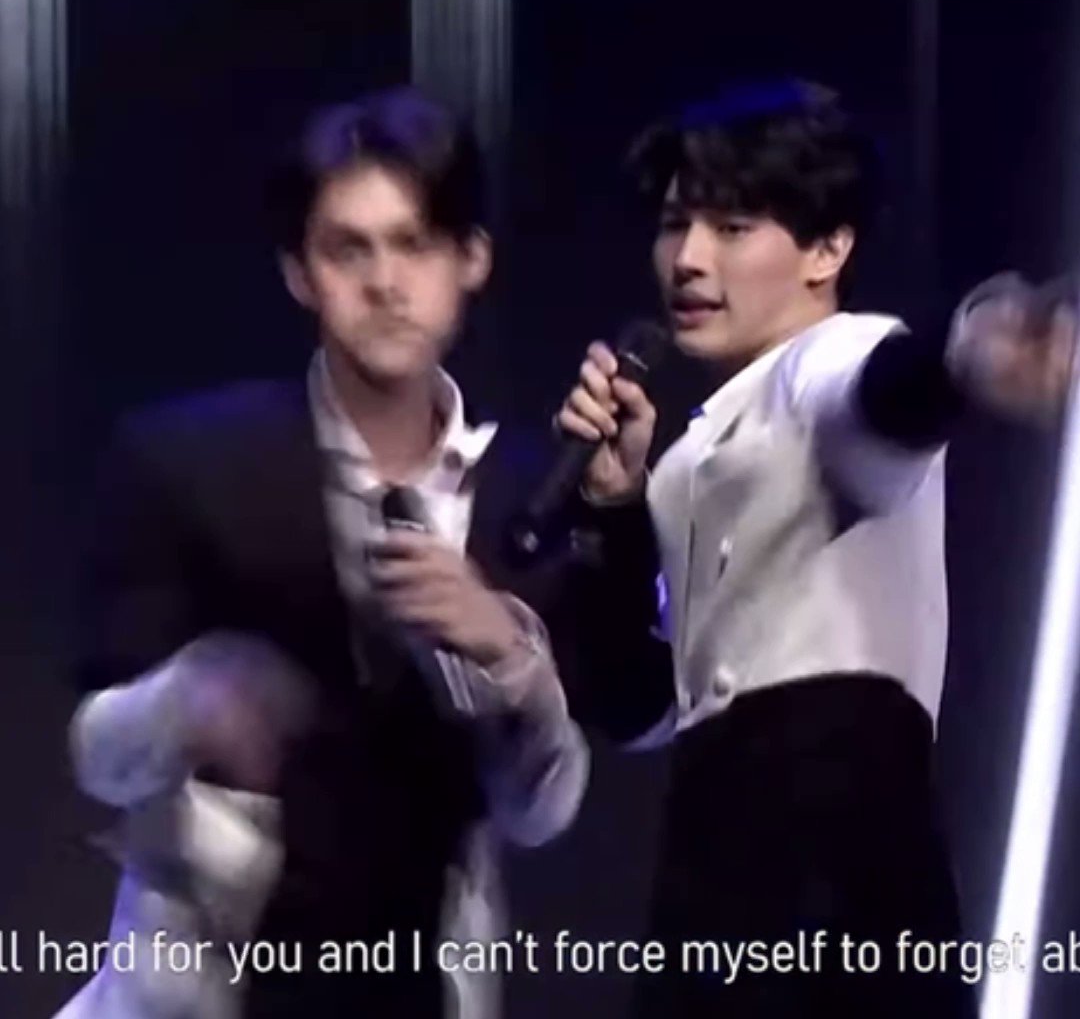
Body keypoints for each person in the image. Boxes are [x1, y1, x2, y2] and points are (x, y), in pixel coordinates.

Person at [60, 86, 588, 1019]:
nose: (386, 282)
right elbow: (98, 757)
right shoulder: (189, 460)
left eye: (415, 243)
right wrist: (190, 698)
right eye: (350, 249)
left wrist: (509, 654)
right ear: (300, 272)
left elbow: (539, 813)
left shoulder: (529, 495)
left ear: (472, 259)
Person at [555, 79, 1074, 1017]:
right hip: (707, 868)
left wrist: (972, 351)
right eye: (674, 226)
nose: (689, 259)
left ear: (829, 248)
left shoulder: (832, 359)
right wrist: (612, 500)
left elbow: (884, 390)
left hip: (834, 867)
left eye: (732, 227)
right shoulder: (690, 459)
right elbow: (635, 705)